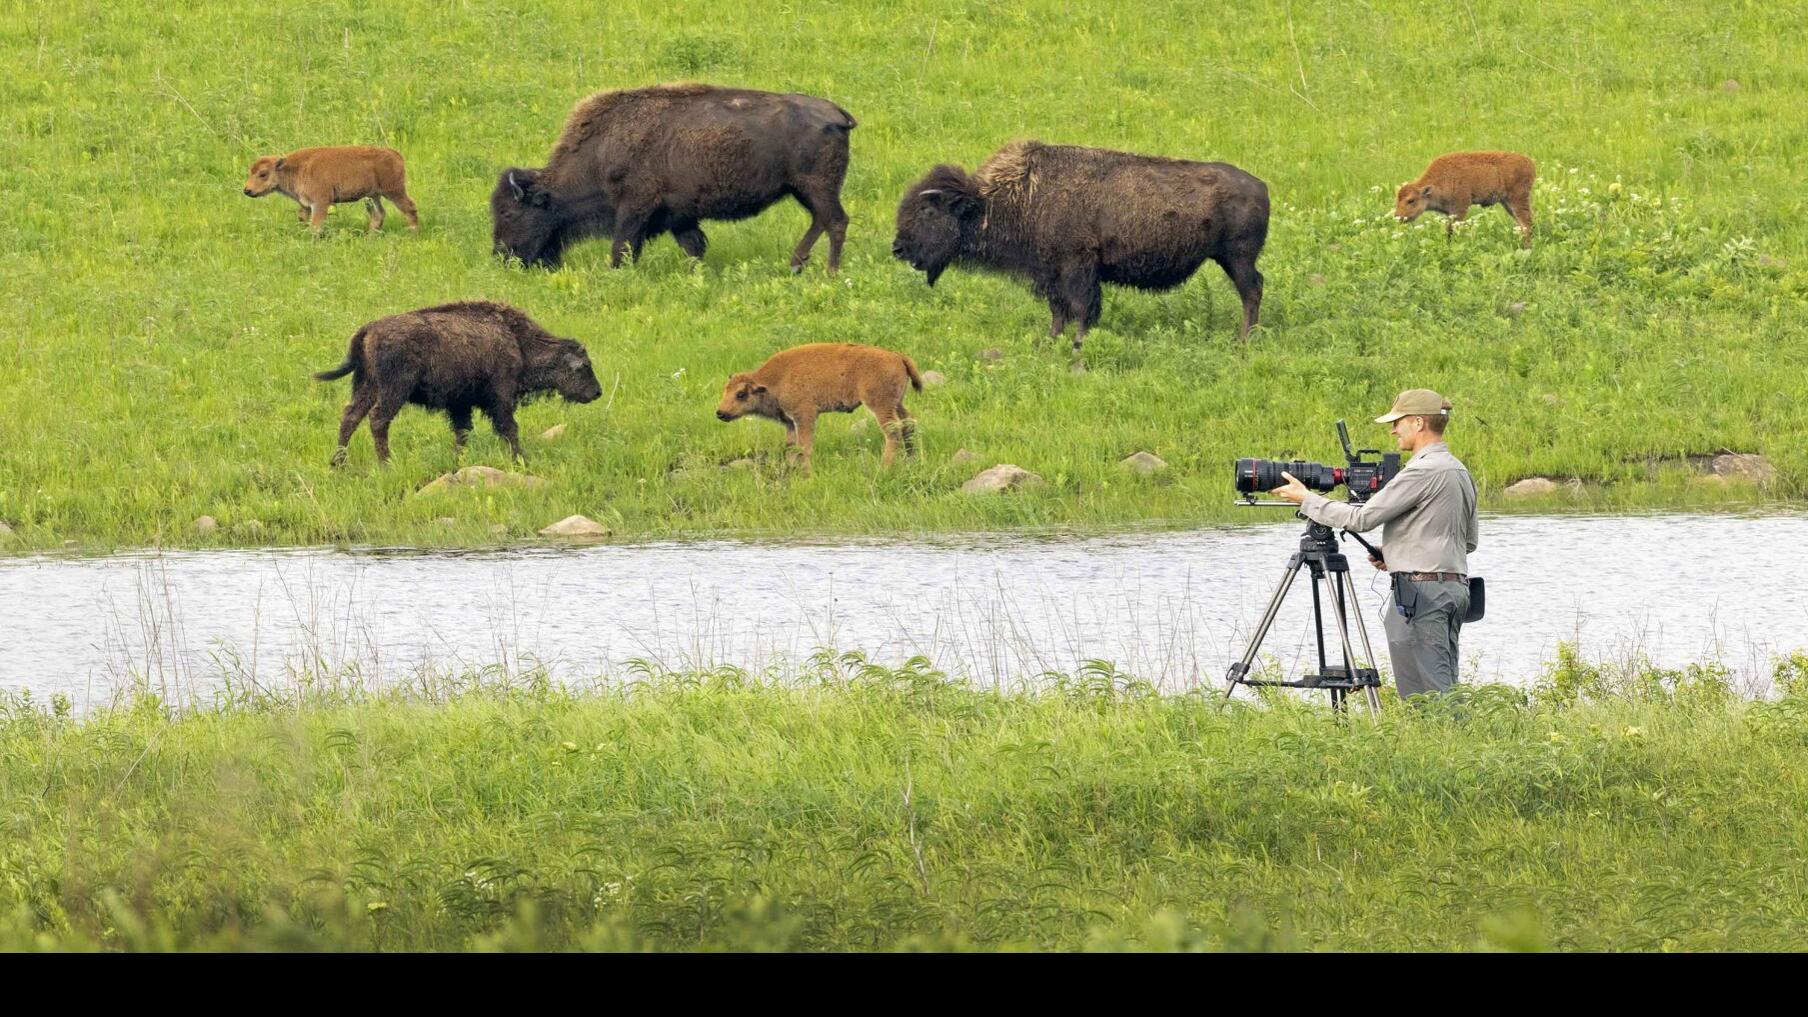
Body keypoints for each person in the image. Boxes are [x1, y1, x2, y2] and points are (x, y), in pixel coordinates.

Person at [1269, 389, 1478, 698]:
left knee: (1435, 698)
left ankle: (1458, 744)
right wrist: (1395, 553)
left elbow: (1362, 519)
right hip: (1451, 590)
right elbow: (1467, 542)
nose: (1393, 429)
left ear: (1418, 423)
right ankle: (1437, 745)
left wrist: (1307, 500)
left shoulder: (1422, 471)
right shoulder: (1459, 471)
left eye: (1398, 422)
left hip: (1422, 595)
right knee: (1436, 691)